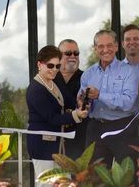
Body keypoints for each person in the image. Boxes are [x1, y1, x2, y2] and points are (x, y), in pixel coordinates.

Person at [26, 45, 88, 187]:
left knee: (63, 183)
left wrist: (80, 104)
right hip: (42, 145)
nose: (54, 69)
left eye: (57, 66)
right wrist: (75, 115)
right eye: (50, 65)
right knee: (45, 184)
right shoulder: (35, 89)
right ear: (39, 65)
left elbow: (69, 102)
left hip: (57, 144)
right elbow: (52, 118)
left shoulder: (53, 83)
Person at [80, 30, 139, 167]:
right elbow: (82, 101)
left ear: (116, 47)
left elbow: (128, 102)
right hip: (95, 128)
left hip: (123, 128)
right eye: (100, 46)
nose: (105, 50)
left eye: (109, 45)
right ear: (95, 49)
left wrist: (100, 95)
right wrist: (83, 103)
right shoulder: (88, 74)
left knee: (126, 176)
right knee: (95, 176)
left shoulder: (128, 71)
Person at [53, 39, 86, 160]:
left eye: (76, 53)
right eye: (68, 53)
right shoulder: (50, 79)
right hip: (54, 140)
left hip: (80, 140)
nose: (73, 56)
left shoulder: (87, 77)